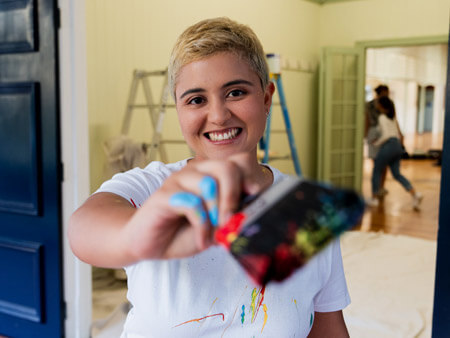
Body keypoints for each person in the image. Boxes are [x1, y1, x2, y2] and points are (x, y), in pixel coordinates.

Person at [69, 17, 350, 337]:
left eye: (235, 92)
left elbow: (328, 327)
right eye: (196, 99)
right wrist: (140, 233)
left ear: (266, 98)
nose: (218, 115)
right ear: (178, 108)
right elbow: (84, 228)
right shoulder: (150, 188)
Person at [367, 96, 423, 210]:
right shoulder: (392, 118)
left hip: (389, 145)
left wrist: (376, 143)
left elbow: (387, 135)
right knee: (396, 174)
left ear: (381, 105)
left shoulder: (382, 117)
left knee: (376, 171)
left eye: (377, 103)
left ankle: (374, 198)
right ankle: (415, 194)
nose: (376, 104)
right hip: (397, 145)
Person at [365, 84, 397, 197]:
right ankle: (376, 189)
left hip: (385, 134)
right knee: (376, 163)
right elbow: (367, 119)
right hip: (374, 132)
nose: (386, 95)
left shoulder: (390, 103)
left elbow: (394, 119)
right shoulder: (369, 105)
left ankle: (381, 187)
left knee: (384, 163)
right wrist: (365, 135)